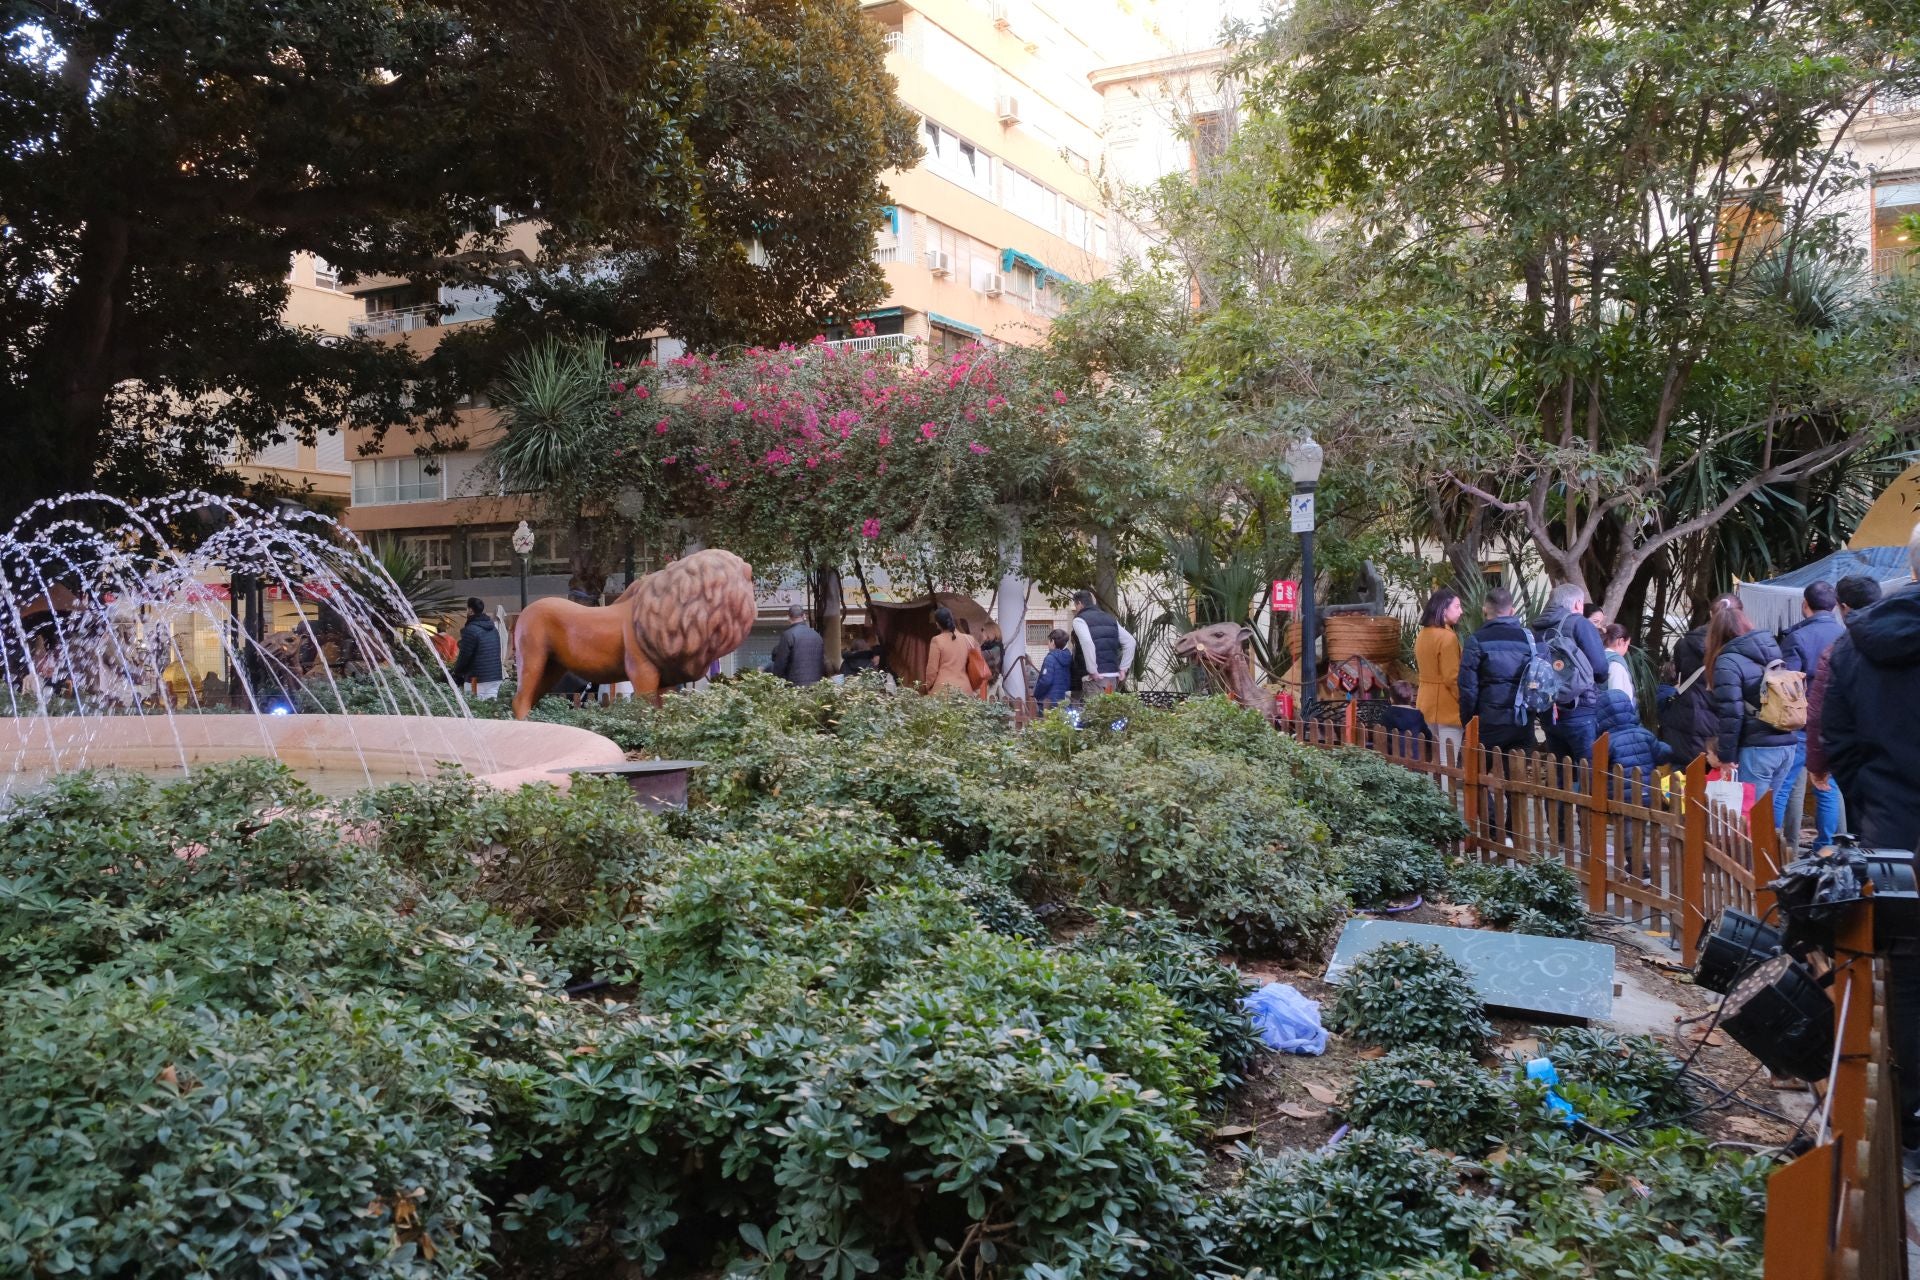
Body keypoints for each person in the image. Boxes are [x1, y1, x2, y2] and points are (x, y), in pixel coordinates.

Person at [1821, 524, 1920, 1180]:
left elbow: (1841, 741)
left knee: (1907, 980)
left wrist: (1878, 810)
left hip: (1896, 840)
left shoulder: (1858, 647)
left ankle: (1910, 1124)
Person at [1802, 574, 1884, 846]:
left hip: (1860, 756)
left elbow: (1816, 713)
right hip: (1902, 754)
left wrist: (1817, 763)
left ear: (1843, 606)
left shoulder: (1840, 649)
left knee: (1870, 839)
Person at [1705, 599, 1797, 829]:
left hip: (1758, 749)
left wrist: (1726, 756)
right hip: (1786, 744)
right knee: (1766, 814)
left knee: (1750, 818)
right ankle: (1769, 861)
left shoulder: (1727, 661)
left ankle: (1753, 864)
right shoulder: (1772, 650)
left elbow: (1732, 712)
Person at [1770, 581, 1847, 846]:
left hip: (1801, 725)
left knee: (1783, 787)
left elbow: (1785, 686)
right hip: (1835, 724)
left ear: (1805, 605)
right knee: (1827, 788)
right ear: (1836, 606)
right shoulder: (1846, 635)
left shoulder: (1797, 638)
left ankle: (1776, 845)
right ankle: (1825, 847)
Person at [1459, 587, 1536, 842]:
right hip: (1521, 720)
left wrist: (1469, 719)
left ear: (1485, 609)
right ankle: (1513, 830)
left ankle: (1492, 828)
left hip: (1488, 721)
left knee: (1476, 774)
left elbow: (1467, 687)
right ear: (1512, 610)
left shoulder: (1476, 640)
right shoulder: (1529, 640)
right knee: (1517, 777)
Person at [1529, 582, 1610, 760]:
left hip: (1549, 711)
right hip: (1580, 709)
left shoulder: (1535, 629)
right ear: (1576, 604)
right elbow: (1600, 668)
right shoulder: (1579, 624)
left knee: (1561, 772)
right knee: (1589, 773)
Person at [1660, 594, 1740, 763]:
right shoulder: (1740, 647)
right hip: (1718, 724)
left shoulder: (1685, 643)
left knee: (1681, 780)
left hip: (1685, 719)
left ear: (1711, 614)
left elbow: (1681, 676)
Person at [1414, 588, 1465, 764]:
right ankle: (1445, 793)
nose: (1461, 611)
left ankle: (1432, 792)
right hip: (1447, 705)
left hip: (1425, 702)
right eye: (1457, 606)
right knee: (1447, 762)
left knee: (1432, 760)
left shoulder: (1422, 635)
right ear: (1444, 609)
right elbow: (1451, 677)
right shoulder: (1447, 638)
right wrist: (1464, 700)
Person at [1069, 589, 1136, 698]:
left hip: (1094, 678)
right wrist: (1124, 668)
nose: (1076, 609)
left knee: (1094, 713)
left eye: (1075, 606)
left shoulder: (1079, 620)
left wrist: (1092, 670)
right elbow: (1130, 642)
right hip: (1112, 677)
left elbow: (1087, 642)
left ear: (1079, 603)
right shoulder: (1110, 618)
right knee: (1108, 713)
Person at [922, 605, 985, 698]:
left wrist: (927, 686)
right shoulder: (969, 639)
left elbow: (932, 670)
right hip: (965, 689)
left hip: (943, 691)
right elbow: (979, 659)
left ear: (937, 624)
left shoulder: (937, 640)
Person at [450, 597, 503, 700]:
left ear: (470, 610)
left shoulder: (470, 630)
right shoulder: (493, 629)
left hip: (476, 678)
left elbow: (464, 656)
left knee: (474, 706)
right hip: (495, 677)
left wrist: (456, 672)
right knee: (490, 708)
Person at [769, 603, 825, 686]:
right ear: (804, 616)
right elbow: (822, 662)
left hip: (795, 689)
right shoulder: (817, 636)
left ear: (789, 618)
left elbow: (780, 664)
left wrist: (776, 682)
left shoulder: (788, 635)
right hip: (816, 688)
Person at [1382, 679, 1432, 760]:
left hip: (1392, 760)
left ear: (1391, 699)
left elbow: (1381, 736)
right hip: (1415, 760)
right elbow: (1428, 736)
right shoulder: (1417, 715)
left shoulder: (1387, 714)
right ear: (1411, 697)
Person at [1032, 628, 1074, 711]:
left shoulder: (1050, 658)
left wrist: (1036, 694)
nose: (1048, 643)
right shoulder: (1068, 657)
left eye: (1048, 641)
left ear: (1053, 642)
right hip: (1064, 700)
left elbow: (1046, 681)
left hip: (1049, 701)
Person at [1602, 623, 1636, 709]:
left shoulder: (1598, 657)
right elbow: (1617, 700)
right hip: (1615, 718)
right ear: (1620, 641)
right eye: (1627, 645)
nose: (1627, 649)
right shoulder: (1616, 665)